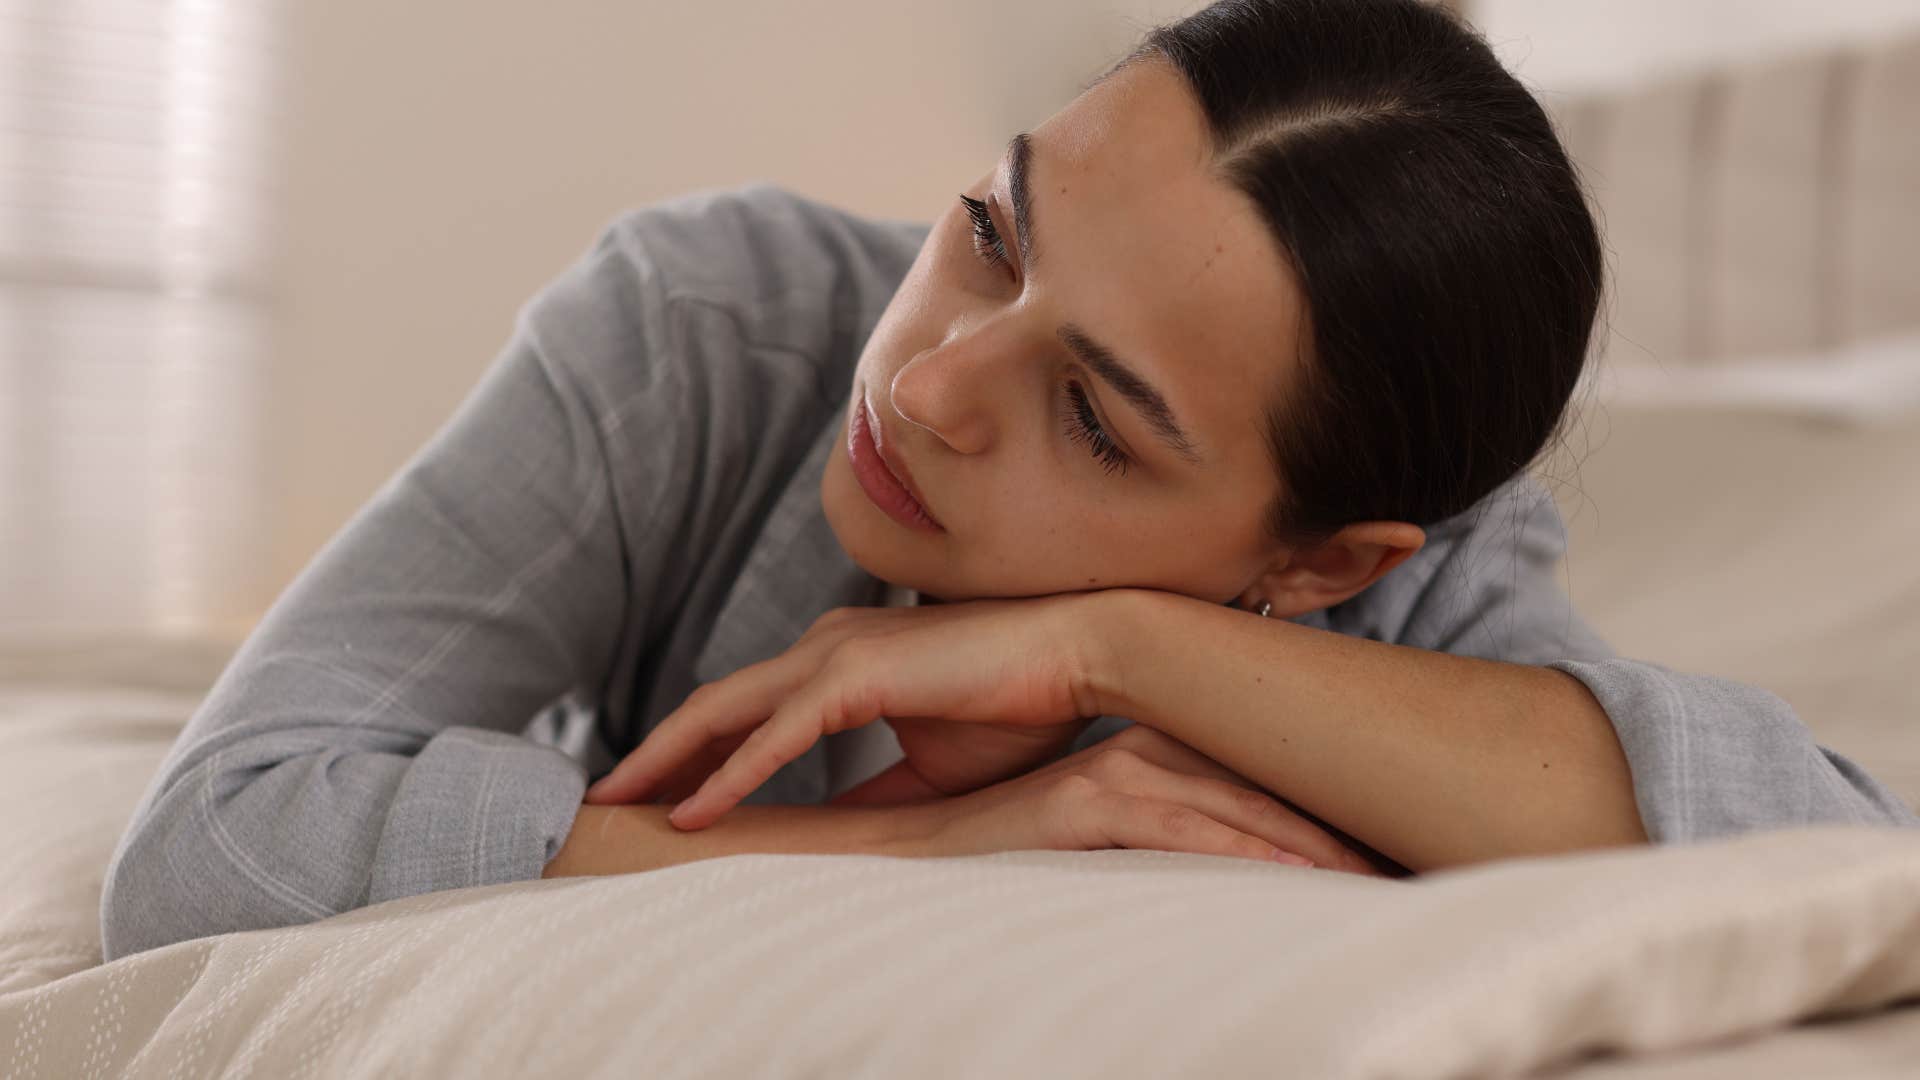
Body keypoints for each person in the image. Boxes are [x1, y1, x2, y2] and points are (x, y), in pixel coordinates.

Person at [100, 0, 1917, 961]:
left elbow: (1841, 860)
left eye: (1098, 419)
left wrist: (1114, 653)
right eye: (990, 231)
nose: (937, 380)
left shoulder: (1421, 599)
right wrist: (908, 845)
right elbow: (211, 844)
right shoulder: (708, 325)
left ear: (1314, 562)